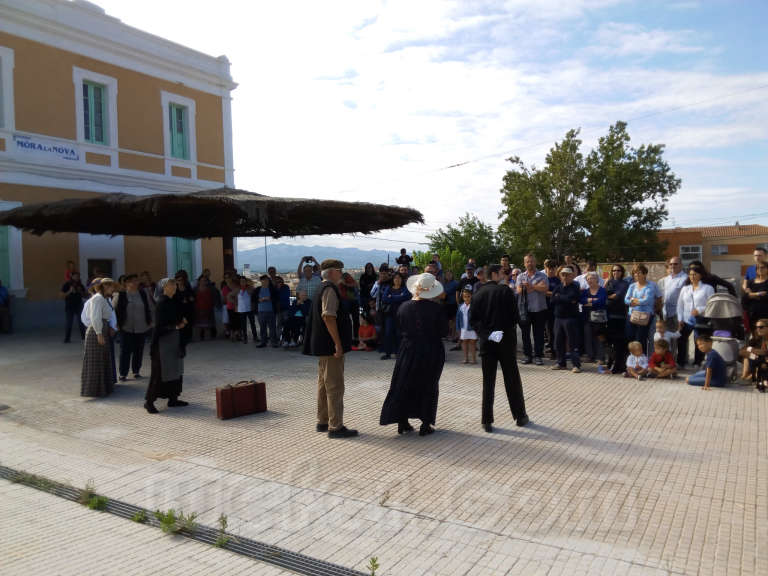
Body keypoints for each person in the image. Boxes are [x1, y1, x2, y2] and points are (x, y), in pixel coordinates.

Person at [380, 273, 447, 436]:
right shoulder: (437, 309)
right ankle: (425, 423)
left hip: (407, 349)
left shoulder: (403, 307)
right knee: (429, 384)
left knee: (404, 382)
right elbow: (444, 331)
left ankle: (402, 421)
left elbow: (399, 327)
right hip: (430, 349)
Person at [469, 264, 529, 432]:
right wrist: (501, 331)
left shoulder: (478, 294)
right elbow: (514, 317)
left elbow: (473, 320)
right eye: (502, 273)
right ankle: (520, 416)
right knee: (512, 379)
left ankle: (486, 420)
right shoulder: (505, 291)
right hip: (506, 341)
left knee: (488, 381)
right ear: (494, 274)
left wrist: (488, 334)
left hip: (487, 342)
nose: (505, 275)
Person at [303, 259, 357, 438]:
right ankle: (335, 426)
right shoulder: (330, 289)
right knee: (334, 386)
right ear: (332, 272)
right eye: (340, 270)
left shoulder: (321, 287)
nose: (342, 273)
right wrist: (338, 344)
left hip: (322, 345)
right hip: (330, 346)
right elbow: (329, 317)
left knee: (323, 384)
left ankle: (323, 420)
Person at [144, 277, 189, 413]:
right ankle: (149, 402)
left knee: (175, 370)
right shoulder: (162, 302)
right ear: (164, 287)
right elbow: (159, 326)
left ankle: (173, 398)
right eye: (171, 285)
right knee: (159, 373)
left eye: (174, 284)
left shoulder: (173, 300)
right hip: (163, 342)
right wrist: (176, 326)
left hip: (174, 340)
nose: (174, 286)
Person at [81, 278, 117, 397]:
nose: (113, 289)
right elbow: (95, 317)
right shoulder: (97, 299)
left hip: (103, 329)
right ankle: (93, 390)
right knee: (95, 361)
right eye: (111, 287)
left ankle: (103, 388)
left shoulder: (105, 299)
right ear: (105, 287)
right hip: (97, 331)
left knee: (102, 359)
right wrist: (99, 333)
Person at [114, 274, 152, 381]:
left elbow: (149, 307)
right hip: (126, 327)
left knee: (138, 350)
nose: (135, 283)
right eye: (132, 281)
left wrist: (150, 321)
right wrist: (115, 324)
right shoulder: (120, 295)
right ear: (126, 283)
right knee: (125, 351)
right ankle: (123, 373)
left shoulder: (143, 294)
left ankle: (136, 371)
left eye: (136, 281)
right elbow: (112, 310)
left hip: (141, 327)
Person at [677, 264, 715, 368]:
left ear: (701, 275)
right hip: (686, 319)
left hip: (701, 319)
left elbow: (711, 304)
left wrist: (700, 310)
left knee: (698, 340)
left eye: (695, 274)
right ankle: (681, 361)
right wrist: (680, 319)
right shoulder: (685, 289)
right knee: (681, 339)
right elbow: (679, 305)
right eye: (690, 274)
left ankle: (697, 362)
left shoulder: (708, 288)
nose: (692, 277)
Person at [517, 254, 549, 365]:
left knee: (539, 334)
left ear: (535, 262)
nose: (529, 263)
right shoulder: (520, 276)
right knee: (525, 334)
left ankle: (538, 356)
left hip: (539, 309)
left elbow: (545, 288)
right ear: (524, 263)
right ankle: (527, 356)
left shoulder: (543, 275)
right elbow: (519, 291)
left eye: (531, 261)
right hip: (525, 310)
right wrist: (536, 287)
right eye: (527, 262)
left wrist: (530, 286)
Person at [550, 266, 582, 372]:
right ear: (560, 276)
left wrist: (559, 297)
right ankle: (561, 363)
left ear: (572, 276)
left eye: (567, 275)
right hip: (558, 318)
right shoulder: (558, 287)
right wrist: (563, 298)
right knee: (558, 342)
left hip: (571, 318)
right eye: (563, 275)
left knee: (572, 342)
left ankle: (576, 365)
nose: (565, 276)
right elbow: (552, 300)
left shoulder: (575, 287)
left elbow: (573, 299)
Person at [624, 264, 655, 355]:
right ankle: (632, 359)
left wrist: (633, 300)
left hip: (644, 316)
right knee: (630, 337)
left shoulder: (650, 286)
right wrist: (634, 301)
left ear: (645, 274)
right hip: (632, 315)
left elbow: (647, 300)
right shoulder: (632, 286)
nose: (637, 275)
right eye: (635, 273)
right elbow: (626, 299)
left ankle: (642, 360)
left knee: (640, 339)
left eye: (639, 273)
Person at [380, 272, 411, 360]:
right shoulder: (388, 288)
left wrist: (392, 297)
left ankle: (399, 353)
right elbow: (384, 298)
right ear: (393, 280)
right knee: (388, 333)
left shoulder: (405, 288)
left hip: (401, 315)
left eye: (399, 278)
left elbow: (406, 297)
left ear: (402, 279)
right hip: (390, 314)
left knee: (399, 334)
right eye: (395, 278)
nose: (397, 280)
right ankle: (388, 353)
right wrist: (399, 296)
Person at [605, 264, 629, 374]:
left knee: (619, 343)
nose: (616, 272)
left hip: (620, 317)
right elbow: (605, 296)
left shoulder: (625, 284)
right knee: (610, 342)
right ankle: (611, 363)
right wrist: (609, 296)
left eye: (618, 270)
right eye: (614, 270)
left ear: (622, 272)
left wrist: (609, 296)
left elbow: (617, 296)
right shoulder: (609, 282)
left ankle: (618, 365)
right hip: (609, 317)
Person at [580, 271, 607, 366]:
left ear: (597, 279)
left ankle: (601, 357)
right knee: (588, 337)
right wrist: (593, 300)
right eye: (588, 279)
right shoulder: (585, 291)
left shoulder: (602, 290)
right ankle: (590, 356)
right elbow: (582, 301)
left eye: (592, 278)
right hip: (586, 317)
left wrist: (589, 302)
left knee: (599, 337)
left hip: (599, 318)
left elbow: (602, 301)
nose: (590, 280)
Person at [657, 257, 687, 332]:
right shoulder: (666, 279)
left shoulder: (686, 278)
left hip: (678, 314)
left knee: (679, 338)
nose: (673, 266)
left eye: (675, 264)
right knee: (667, 338)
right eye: (671, 264)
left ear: (681, 265)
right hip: (666, 314)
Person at [740, 319, 768, 391]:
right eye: (757, 327)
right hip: (760, 359)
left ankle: (750, 377)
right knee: (747, 356)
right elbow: (743, 350)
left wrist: (752, 350)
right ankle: (745, 376)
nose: (758, 329)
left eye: (761, 327)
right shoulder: (760, 337)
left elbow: (765, 352)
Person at [61, 271, 87, 343]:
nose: (77, 277)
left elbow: (85, 295)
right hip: (69, 306)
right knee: (69, 323)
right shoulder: (67, 284)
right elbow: (62, 295)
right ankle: (67, 338)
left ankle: (84, 337)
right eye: (75, 276)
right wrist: (69, 291)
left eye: (78, 276)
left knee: (81, 322)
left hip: (79, 305)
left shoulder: (80, 285)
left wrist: (80, 291)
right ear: (72, 276)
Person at [743, 262, 768, 336]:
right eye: (758, 268)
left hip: (765, 315)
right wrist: (758, 294)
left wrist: (751, 295)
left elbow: (766, 296)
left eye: (763, 267)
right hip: (752, 315)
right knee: (755, 337)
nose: (760, 269)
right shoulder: (750, 282)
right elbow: (745, 298)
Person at [543, 259, 561, 358]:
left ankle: (554, 351)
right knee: (545, 331)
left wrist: (548, 293)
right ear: (546, 269)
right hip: (543, 308)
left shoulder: (558, 281)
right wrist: (553, 294)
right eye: (549, 269)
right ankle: (547, 350)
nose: (551, 271)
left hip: (554, 309)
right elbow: (543, 292)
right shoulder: (543, 279)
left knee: (553, 331)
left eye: (553, 269)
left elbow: (558, 294)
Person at [256, 274, 278, 348]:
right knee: (262, 328)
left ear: (268, 281)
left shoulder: (272, 289)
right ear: (261, 281)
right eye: (263, 280)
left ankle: (273, 342)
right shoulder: (258, 289)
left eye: (266, 280)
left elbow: (276, 298)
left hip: (271, 311)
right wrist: (258, 300)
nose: (265, 281)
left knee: (272, 328)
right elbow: (253, 298)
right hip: (260, 311)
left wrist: (269, 299)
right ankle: (263, 342)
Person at [456, 287, 477, 364]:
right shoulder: (461, 306)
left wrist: (477, 328)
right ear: (462, 297)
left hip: (472, 328)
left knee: (472, 343)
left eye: (468, 296)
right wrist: (458, 328)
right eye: (465, 296)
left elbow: (477, 318)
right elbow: (457, 318)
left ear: (471, 296)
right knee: (464, 342)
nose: (466, 298)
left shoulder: (474, 306)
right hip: (463, 328)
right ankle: (465, 358)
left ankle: (474, 359)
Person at [193, 275, 217, 341]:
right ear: (199, 281)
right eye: (202, 280)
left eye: (205, 281)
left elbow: (214, 298)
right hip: (199, 308)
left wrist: (214, 304)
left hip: (209, 308)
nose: (203, 282)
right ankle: (202, 335)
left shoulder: (211, 289)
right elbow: (193, 298)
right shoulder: (195, 289)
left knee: (210, 322)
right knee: (200, 323)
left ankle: (213, 334)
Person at [236, 276, 257, 343]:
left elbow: (251, 293)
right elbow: (232, 296)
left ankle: (255, 337)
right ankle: (245, 338)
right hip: (241, 309)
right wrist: (236, 305)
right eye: (241, 281)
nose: (242, 282)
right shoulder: (237, 289)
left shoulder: (249, 288)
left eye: (244, 281)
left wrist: (247, 287)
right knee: (243, 325)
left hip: (249, 308)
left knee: (252, 323)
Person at [442, 270, 459, 341]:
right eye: (447, 275)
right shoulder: (444, 284)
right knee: (447, 321)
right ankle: (448, 335)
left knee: (454, 320)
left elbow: (447, 292)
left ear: (452, 275)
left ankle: (453, 335)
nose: (448, 276)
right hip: (446, 304)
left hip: (453, 303)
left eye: (450, 274)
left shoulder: (455, 283)